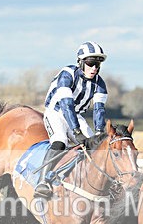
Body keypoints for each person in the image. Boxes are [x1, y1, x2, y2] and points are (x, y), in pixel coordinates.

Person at [34, 41, 109, 199]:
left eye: (97, 64)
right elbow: (66, 105)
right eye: (90, 63)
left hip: (76, 115)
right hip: (56, 112)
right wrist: (76, 131)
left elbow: (99, 110)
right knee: (60, 141)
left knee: (95, 147)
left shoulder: (100, 83)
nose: (94, 68)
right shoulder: (67, 74)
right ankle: (42, 181)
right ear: (80, 62)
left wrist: (99, 133)